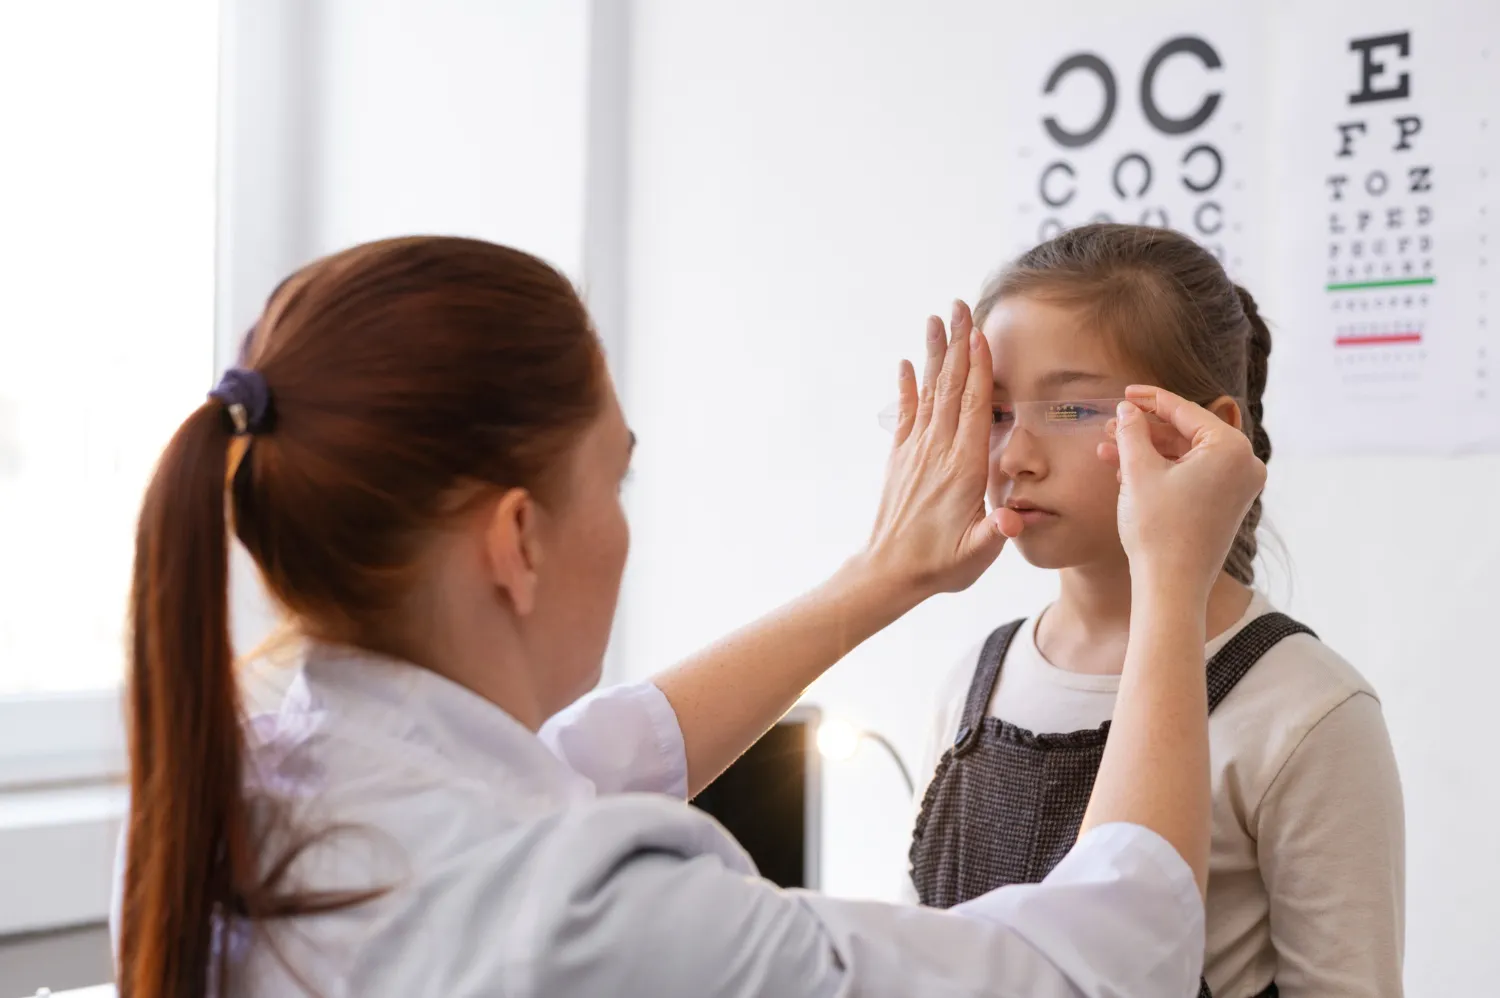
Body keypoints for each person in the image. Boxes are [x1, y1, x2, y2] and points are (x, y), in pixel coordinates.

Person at [114, 235, 1267, 998]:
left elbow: (579, 761)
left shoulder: (265, 767)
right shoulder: (591, 908)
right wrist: (1172, 581)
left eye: (1069, 408)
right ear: (517, 539)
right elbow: (1104, 963)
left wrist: (879, 578)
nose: (1015, 449)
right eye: (614, 480)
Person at [903, 224, 1406, 997]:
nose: (1013, 457)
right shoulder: (976, 680)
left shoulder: (1307, 710)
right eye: (997, 412)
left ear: (1208, 437)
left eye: (1071, 409)